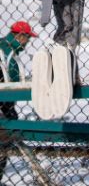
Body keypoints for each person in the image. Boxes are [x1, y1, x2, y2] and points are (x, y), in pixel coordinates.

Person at [0, 21, 37, 182]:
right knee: (4, 145)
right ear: (20, 36)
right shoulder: (9, 54)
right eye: (27, 38)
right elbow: (13, 81)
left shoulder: (4, 46)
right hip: (3, 106)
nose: (27, 42)